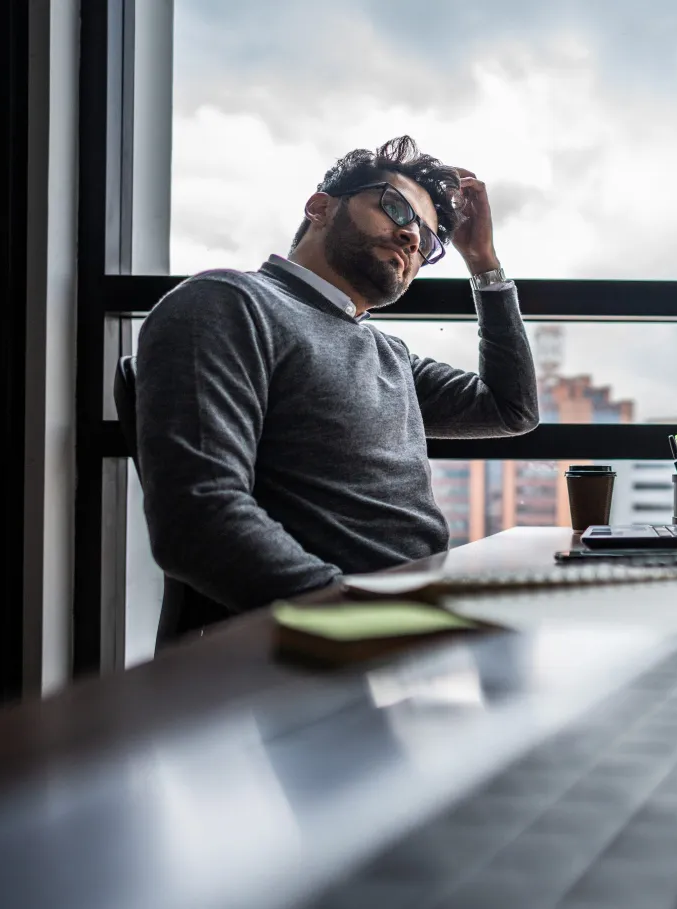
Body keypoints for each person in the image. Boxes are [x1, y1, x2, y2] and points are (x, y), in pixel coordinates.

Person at [135, 136, 538, 618]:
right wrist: (361, 615)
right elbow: (198, 516)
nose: (413, 238)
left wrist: (483, 263)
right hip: (330, 642)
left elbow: (511, 410)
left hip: (415, 617)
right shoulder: (229, 304)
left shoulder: (386, 353)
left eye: (428, 242)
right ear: (320, 207)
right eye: (396, 208)